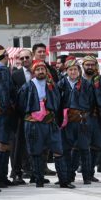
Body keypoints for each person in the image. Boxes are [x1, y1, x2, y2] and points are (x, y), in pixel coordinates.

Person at [16, 60, 70, 188]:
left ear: (46, 71)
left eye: (43, 69)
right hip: (33, 124)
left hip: (50, 123)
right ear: (34, 72)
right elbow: (20, 105)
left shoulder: (52, 85)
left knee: (58, 150)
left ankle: (63, 181)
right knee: (36, 152)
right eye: (38, 70)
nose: (41, 72)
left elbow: (58, 103)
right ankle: (39, 180)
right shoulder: (27, 86)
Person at [58, 58, 97, 186]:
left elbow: (92, 101)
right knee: (66, 149)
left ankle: (87, 176)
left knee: (84, 148)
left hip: (83, 120)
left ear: (79, 71)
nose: (73, 72)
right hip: (67, 121)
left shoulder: (86, 84)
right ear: (66, 71)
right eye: (70, 69)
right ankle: (68, 176)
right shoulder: (61, 84)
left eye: (75, 69)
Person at [0, 46, 17, 190]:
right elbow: (3, 91)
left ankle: (1, 176)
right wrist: (6, 107)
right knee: (3, 144)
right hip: (2, 111)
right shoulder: (2, 70)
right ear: (5, 57)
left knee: (2, 144)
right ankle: (0, 177)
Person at [9, 49, 33, 184]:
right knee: (18, 145)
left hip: (38, 115)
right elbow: (12, 95)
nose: (24, 60)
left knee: (36, 145)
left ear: (32, 57)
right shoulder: (16, 75)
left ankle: (35, 172)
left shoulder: (39, 71)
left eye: (27, 57)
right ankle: (16, 173)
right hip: (20, 115)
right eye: (22, 58)